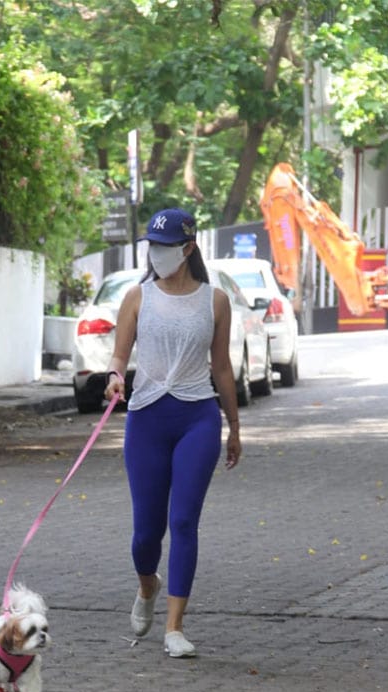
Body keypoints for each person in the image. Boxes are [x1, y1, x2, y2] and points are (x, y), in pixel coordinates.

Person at [104, 207, 241, 658]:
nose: (156, 254)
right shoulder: (137, 297)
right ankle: (148, 585)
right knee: (147, 533)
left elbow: (221, 367)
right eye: (152, 246)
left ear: (187, 248)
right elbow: (120, 355)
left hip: (197, 417)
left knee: (183, 521)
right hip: (146, 418)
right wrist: (115, 376)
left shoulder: (214, 301)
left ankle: (175, 628)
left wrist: (234, 426)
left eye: (164, 247)